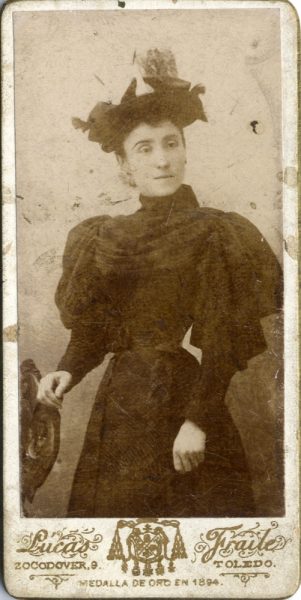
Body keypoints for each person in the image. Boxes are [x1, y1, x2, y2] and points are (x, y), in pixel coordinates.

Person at [37, 48, 282, 518]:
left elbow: (223, 341)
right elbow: (97, 330)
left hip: (186, 403)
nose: (162, 160)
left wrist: (197, 422)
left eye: (171, 143)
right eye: (144, 149)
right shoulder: (103, 236)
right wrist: (69, 368)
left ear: (185, 150)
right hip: (122, 405)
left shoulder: (216, 232)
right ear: (126, 167)